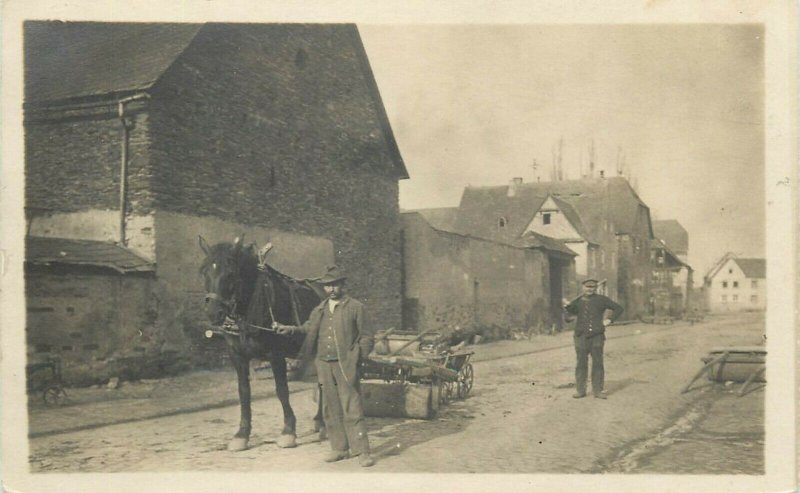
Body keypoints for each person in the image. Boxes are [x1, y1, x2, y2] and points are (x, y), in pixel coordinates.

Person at [275, 265, 375, 467]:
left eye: (334, 285)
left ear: (343, 286)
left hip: (346, 364)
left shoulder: (355, 307)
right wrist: (289, 329)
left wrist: (357, 358)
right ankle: (339, 448)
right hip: (323, 364)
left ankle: (362, 451)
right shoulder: (319, 309)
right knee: (330, 408)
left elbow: (367, 337)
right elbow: (308, 328)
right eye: (327, 286)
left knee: (352, 406)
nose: (331, 290)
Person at [564, 279, 624, 399]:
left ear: (596, 288)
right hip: (580, 336)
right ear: (583, 287)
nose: (589, 289)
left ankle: (598, 390)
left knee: (597, 363)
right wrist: (567, 309)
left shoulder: (602, 300)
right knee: (581, 363)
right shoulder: (577, 301)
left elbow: (618, 308)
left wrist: (609, 320)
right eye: (587, 287)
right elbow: (568, 317)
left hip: (597, 336)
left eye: (592, 287)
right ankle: (581, 390)